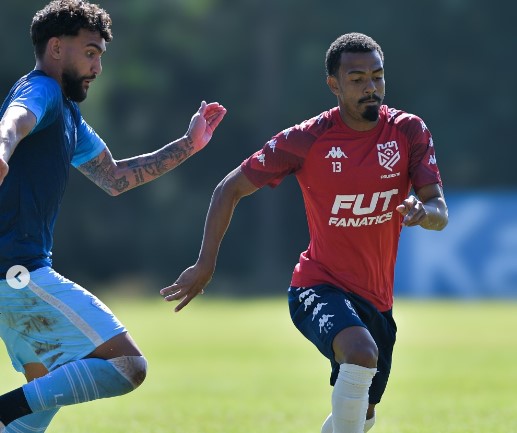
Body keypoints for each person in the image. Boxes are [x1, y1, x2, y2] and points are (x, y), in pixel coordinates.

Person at [161, 32, 448, 433]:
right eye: (357, 78)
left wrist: (424, 211)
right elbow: (229, 189)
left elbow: (438, 208)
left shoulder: (408, 131)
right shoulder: (307, 139)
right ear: (334, 84)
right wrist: (205, 264)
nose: (371, 88)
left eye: (378, 77)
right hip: (318, 286)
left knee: (361, 414)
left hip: (378, 301)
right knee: (360, 353)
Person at [0, 1, 226, 432]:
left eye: (101, 55)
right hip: (18, 273)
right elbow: (14, 121)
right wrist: (1, 150)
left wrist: (188, 144)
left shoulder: (66, 114)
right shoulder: (41, 91)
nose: (98, 66)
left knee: (42, 388)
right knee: (127, 365)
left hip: (12, 274)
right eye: (89, 52)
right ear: (55, 48)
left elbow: (115, 177)